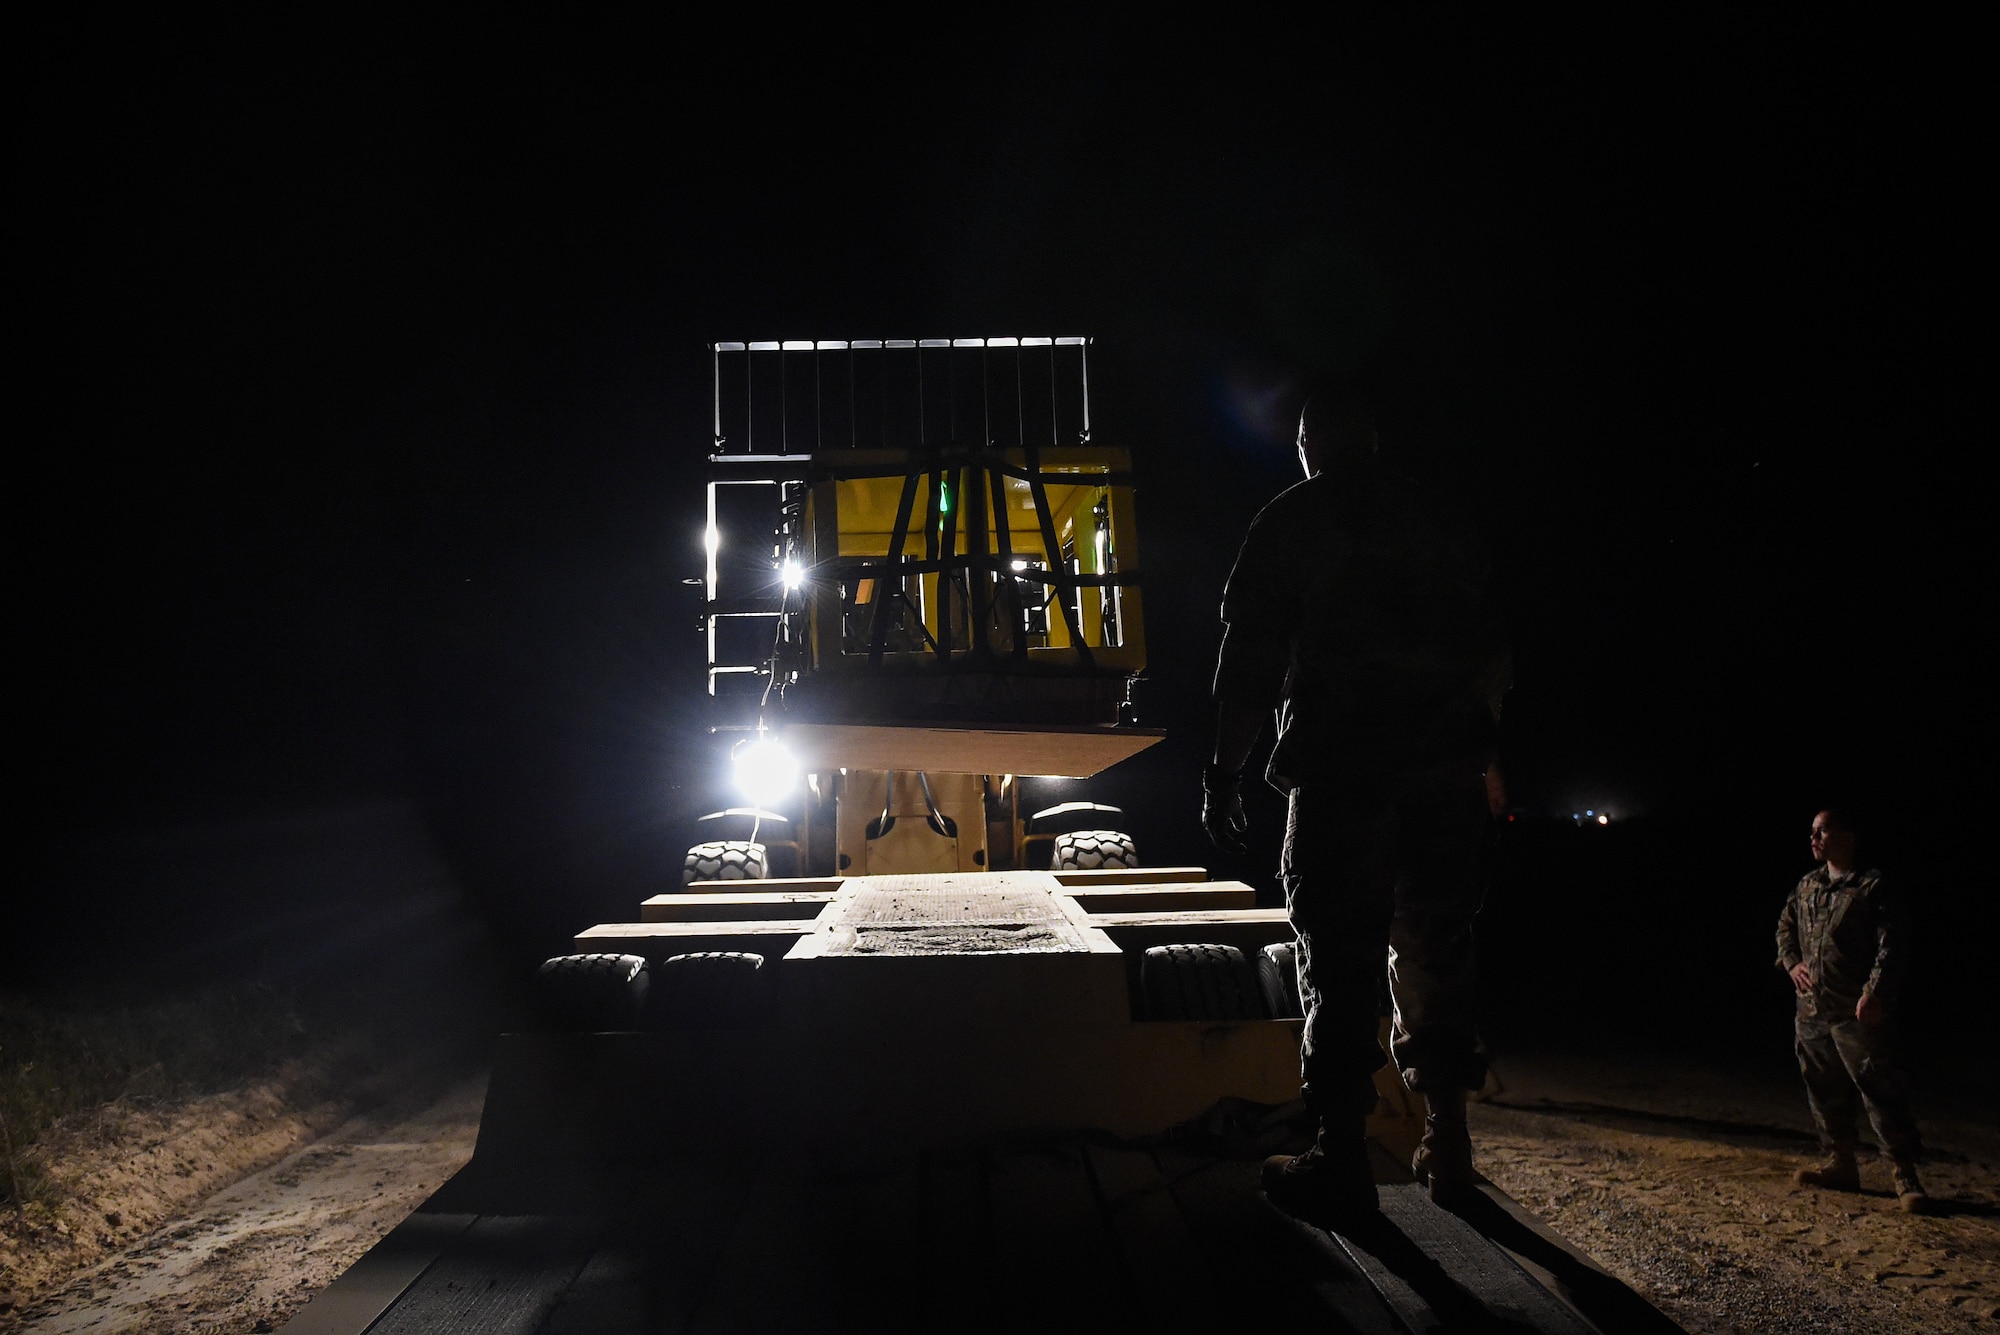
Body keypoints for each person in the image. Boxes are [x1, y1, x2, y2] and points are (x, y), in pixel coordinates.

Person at [1204, 384, 1510, 1221]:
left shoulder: (1292, 520)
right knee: (1436, 948)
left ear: (1309, 445)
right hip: (1445, 774)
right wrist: (1483, 758)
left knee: (1338, 956)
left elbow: (1249, 665)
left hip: (1347, 778)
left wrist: (1224, 775)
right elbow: (1491, 656)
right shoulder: (1438, 524)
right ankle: (1447, 1141)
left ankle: (1342, 1153)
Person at [1777, 808, 1931, 1213]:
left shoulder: (1872, 886)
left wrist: (1875, 993)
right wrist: (1792, 963)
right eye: (1812, 831)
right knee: (1823, 1087)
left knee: (1878, 1087)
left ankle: (1904, 1174)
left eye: (1822, 831)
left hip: (1856, 1009)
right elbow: (1785, 927)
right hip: (1812, 1011)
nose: (1814, 838)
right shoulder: (1808, 885)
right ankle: (1840, 1162)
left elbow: (1892, 944)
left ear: (1847, 837)